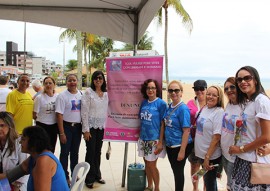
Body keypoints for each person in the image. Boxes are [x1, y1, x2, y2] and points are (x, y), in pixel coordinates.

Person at [229, 66, 270, 190]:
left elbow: (267, 136)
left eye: (247, 78)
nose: (242, 82)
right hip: (244, 159)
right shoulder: (249, 101)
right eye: (239, 80)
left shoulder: (261, 101)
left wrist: (240, 149)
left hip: (253, 161)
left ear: (255, 80)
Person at [0, 126, 69, 191]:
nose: (20, 142)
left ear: (33, 142)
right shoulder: (34, 157)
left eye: (23, 139)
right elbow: (8, 176)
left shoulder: (43, 160)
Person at [162, 80, 193, 191]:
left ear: (181, 92)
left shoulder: (183, 109)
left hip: (180, 146)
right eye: (171, 90)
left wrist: (182, 151)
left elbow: (186, 131)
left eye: (176, 90)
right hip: (171, 145)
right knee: (175, 171)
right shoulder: (169, 106)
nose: (173, 93)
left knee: (178, 173)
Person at [138, 79, 167, 191]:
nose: (150, 90)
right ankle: (149, 186)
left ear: (156, 90)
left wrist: (160, 142)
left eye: (153, 88)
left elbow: (163, 124)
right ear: (145, 90)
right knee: (147, 164)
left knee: (152, 165)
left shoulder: (161, 104)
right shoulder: (144, 102)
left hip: (154, 140)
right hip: (143, 138)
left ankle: (157, 188)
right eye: (148, 88)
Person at [81, 71, 108, 189]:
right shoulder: (88, 92)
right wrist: (86, 130)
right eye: (96, 78)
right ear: (93, 80)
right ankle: (89, 178)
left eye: (100, 78)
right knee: (91, 152)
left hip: (101, 127)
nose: (98, 80)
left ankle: (97, 174)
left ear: (103, 80)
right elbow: (84, 112)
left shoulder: (107, 94)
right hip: (90, 127)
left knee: (98, 152)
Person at [194, 85, 224, 191]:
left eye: (214, 95)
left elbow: (216, 138)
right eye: (209, 94)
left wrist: (207, 157)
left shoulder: (219, 112)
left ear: (219, 97)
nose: (210, 97)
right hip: (202, 154)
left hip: (210, 156)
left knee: (210, 183)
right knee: (208, 181)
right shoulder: (205, 107)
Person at [55, 74, 82, 185]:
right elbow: (59, 115)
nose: (72, 82)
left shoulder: (81, 94)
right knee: (65, 153)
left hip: (77, 127)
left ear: (77, 81)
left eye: (74, 80)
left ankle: (74, 174)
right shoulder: (62, 96)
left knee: (75, 153)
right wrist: (61, 133)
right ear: (66, 82)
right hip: (66, 127)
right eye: (70, 80)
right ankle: (64, 177)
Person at [221, 77, 241, 191]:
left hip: (235, 155)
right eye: (226, 88)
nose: (229, 90)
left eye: (232, 87)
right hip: (224, 153)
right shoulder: (229, 105)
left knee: (234, 186)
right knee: (229, 183)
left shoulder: (245, 106)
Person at [187, 79, 207, 191]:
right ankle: (195, 188)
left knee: (205, 167)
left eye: (201, 88)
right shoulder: (190, 103)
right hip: (193, 140)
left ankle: (205, 188)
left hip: (205, 141)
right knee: (194, 166)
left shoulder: (211, 103)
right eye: (196, 89)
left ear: (206, 89)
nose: (199, 91)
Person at [0, 111, 28, 191]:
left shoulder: (20, 143)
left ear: (10, 126)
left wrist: (16, 188)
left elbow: (25, 170)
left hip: (16, 185)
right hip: (3, 184)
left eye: (2, 125)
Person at [33, 77, 59, 153]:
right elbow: (34, 114)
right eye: (46, 83)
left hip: (54, 126)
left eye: (50, 83)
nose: (48, 85)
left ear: (54, 84)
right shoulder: (39, 98)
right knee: (41, 148)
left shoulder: (58, 97)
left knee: (51, 148)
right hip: (42, 126)